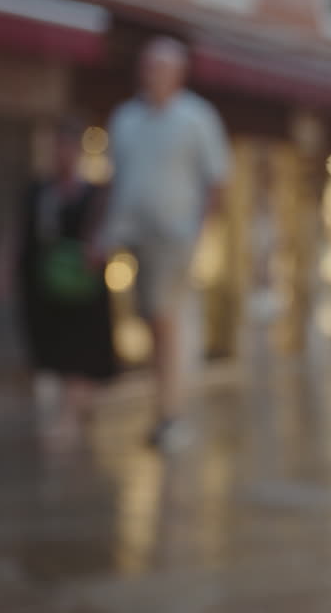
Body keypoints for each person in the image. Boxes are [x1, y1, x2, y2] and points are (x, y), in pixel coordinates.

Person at [99, 37, 231, 449]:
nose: (151, 74)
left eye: (160, 67)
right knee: (153, 323)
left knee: (164, 320)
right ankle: (167, 408)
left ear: (179, 73)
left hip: (174, 237)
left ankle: (171, 414)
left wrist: (199, 234)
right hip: (132, 238)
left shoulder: (196, 118)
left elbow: (217, 180)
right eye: (147, 66)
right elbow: (115, 180)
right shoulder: (126, 119)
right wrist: (104, 234)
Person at [0, 115, 118, 444]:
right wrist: (4, 268)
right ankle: (71, 410)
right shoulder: (38, 191)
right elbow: (20, 231)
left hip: (81, 283)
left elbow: (106, 232)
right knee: (55, 348)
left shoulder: (93, 194)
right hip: (46, 283)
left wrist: (96, 251)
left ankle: (71, 415)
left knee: (78, 348)